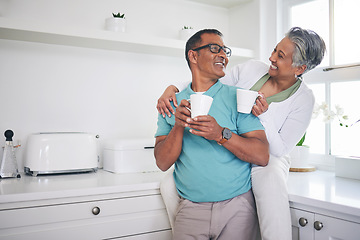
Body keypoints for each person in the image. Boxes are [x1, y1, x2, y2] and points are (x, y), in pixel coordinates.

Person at [157, 27, 326, 240]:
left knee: (270, 176)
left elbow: (280, 149)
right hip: (236, 140)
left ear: (299, 68)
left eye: (280, 56)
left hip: (269, 154)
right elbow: (209, 83)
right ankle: (191, 224)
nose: (271, 57)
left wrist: (262, 115)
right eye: (275, 50)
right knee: (168, 183)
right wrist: (172, 88)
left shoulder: (304, 99)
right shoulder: (253, 69)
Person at [154, 29, 269, 240]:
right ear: (193, 55)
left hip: (238, 209)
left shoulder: (238, 98)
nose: (223, 55)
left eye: (225, 51)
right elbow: (162, 162)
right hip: (190, 210)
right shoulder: (171, 105)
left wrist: (220, 134)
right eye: (215, 48)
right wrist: (179, 126)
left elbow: (262, 155)